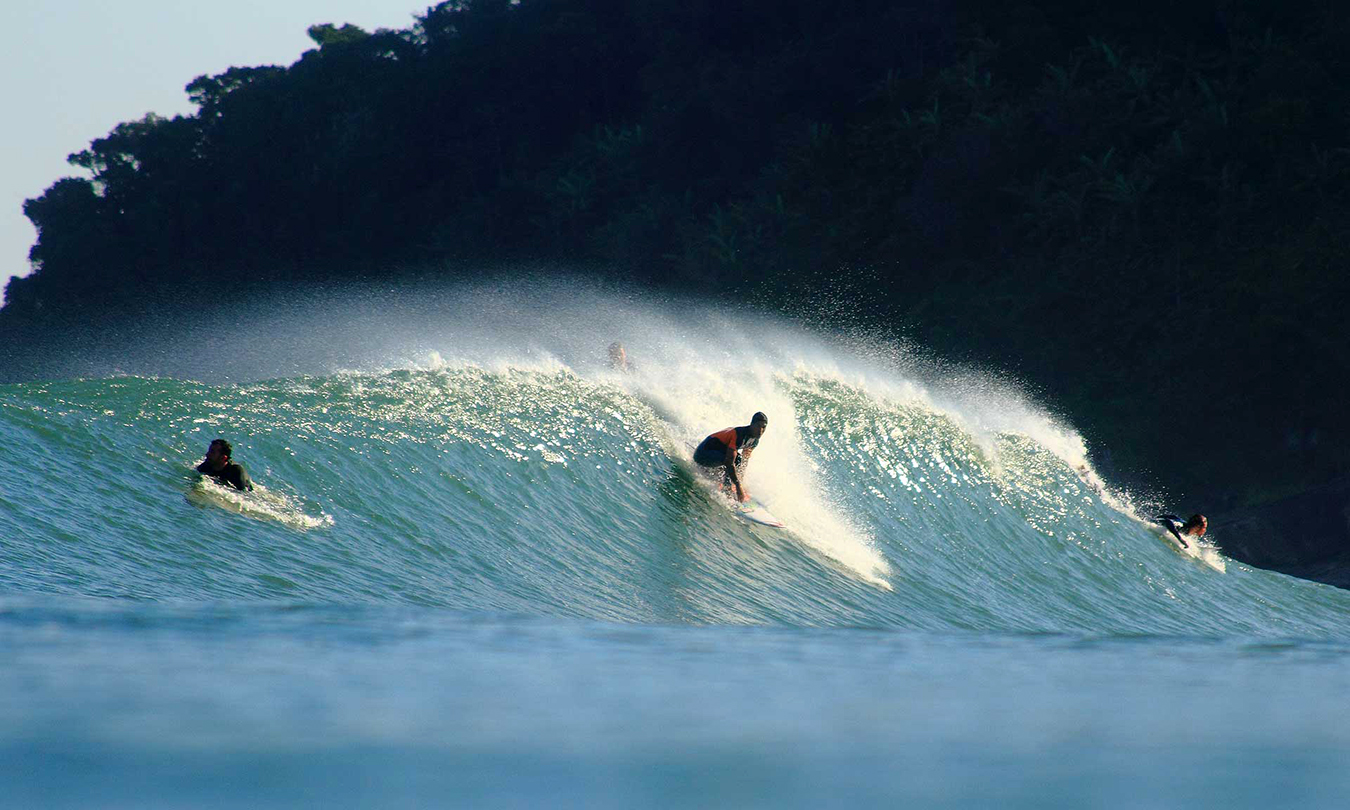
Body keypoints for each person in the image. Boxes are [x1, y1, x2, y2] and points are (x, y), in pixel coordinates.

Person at [694, 412, 768, 503]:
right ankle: (727, 490)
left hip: (716, 453)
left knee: (738, 459)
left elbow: (744, 462)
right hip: (702, 454)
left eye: (764, 427)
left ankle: (721, 478)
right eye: (758, 426)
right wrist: (738, 485)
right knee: (731, 460)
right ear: (752, 424)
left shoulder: (755, 441)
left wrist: (741, 481)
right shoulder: (739, 435)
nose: (761, 430)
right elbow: (729, 462)